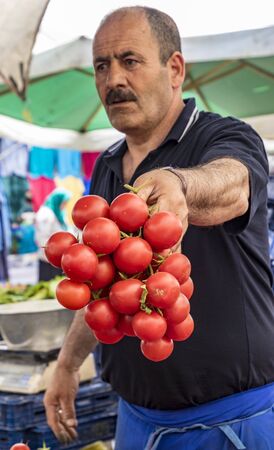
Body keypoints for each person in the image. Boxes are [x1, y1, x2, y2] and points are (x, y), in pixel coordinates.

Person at [43, 6, 274, 449]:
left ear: (174, 69)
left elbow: (234, 184)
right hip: (136, 422)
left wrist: (182, 185)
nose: (113, 80)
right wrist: (68, 365)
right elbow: (101, 284)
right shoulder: (108, 167)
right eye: (101, 66)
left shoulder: (225, 136)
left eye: (130, 61)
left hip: (236, 425)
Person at [35, 187, 72, 281]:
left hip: (60, 257)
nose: (65, 205)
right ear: (57, 200)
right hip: (48, 259)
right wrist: (50, 253)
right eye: (64, 202)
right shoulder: (45, 214)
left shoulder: (59, 213)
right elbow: (41, 237)